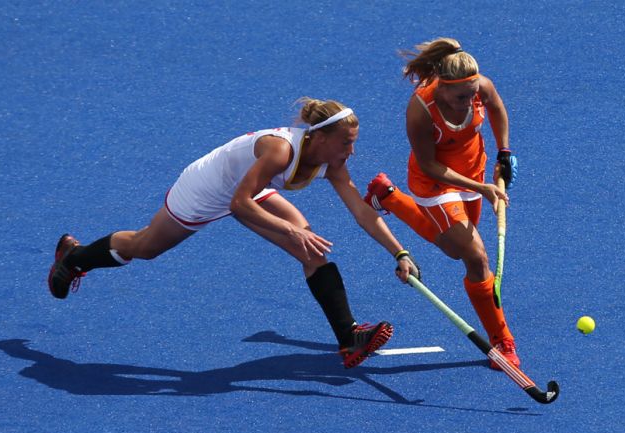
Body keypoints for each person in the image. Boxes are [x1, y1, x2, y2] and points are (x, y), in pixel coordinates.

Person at [47, 97, 420, 369]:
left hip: (250, 187)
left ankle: (349, 337)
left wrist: (399, 253)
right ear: (319, 138)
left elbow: (362, 213)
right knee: (145, 247)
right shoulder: (279, 151)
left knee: (312, 252)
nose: (351, 152)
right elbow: (240, 204)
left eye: (354, 142)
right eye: (345, 143)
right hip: (209, 188)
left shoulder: (331, 162)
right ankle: (74, 258)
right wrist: (293, 230)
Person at [363, 37, 520, 370]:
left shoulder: (479, 88)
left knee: (455, 250)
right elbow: (431, 165)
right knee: (476, 259)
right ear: (442, 88)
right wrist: (483, 187)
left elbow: (496, 108)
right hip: (434, 182)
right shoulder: (421, 110)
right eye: (461, 96)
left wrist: (504, 152)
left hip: (474, 171)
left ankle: (386, 195)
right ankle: (502, 342)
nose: (469, 100)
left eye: (473, 93)